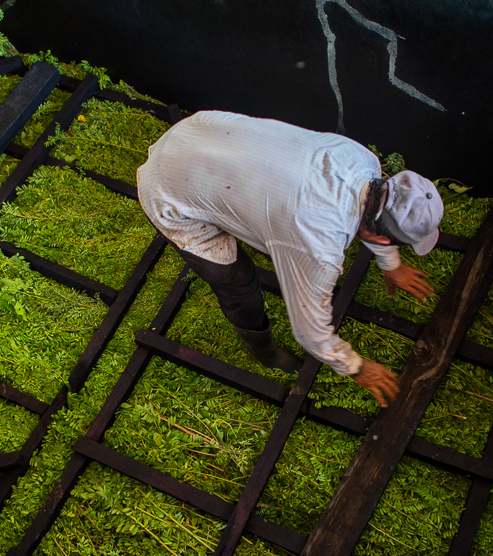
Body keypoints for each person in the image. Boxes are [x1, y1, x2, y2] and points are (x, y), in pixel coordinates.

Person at [136, 111, 443, 407]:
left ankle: (252, 220)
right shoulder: (320, 246)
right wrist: (356, 367)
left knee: (272, 224)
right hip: (168, 188)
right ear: (382, 237)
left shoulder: (362, 158)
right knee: (237, 281)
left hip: (202, 131)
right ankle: (263, 348)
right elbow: (309, 332)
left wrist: (392, 263)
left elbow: (373, 213)